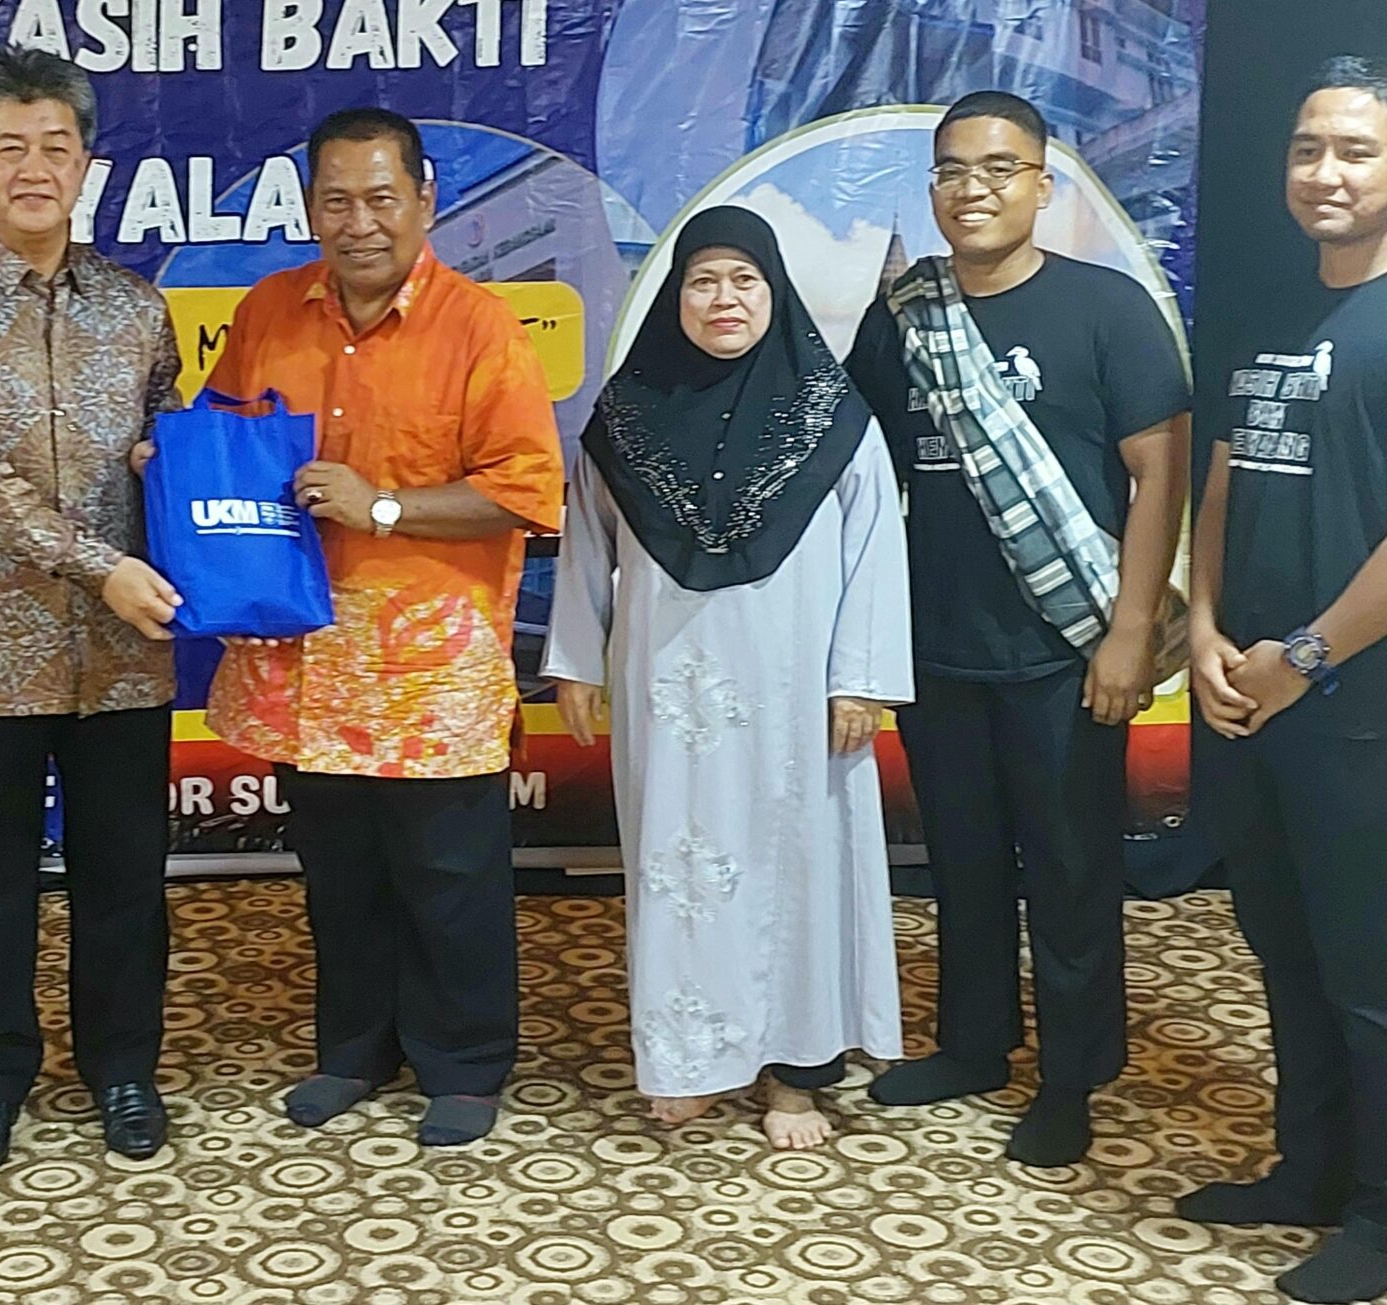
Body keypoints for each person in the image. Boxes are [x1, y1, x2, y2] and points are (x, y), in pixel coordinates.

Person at [192, 108, 563, 1147]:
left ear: (425, 201)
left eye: (381, 198)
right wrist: (177, 465)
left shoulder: (481, 327)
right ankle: (353, 1050)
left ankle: (465, 1061)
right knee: (340, 871)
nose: (359, 223)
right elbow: (226, 434)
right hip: (306, 650)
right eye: (337, 201)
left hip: (431, 662)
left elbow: (528, 492)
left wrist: (383, 505)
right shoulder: (269, 309)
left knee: (450, 877)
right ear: (310, 208)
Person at [845, 91, 1190, 1167]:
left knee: (1071, 869)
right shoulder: (904, 316)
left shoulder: (1106, 309)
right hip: (939, 645)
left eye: (999, 169)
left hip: (1066, 649)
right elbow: (857, 472)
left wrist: (1130, 630)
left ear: (1043, 185)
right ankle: (975, 1044)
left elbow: (1160, 473)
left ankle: (1072, 1075)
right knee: (962, 862)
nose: (973, 189)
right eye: (952, 170)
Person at [543, 205, 913, 1149]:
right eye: (703, 280)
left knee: (799, 867)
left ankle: (795, 1072)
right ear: (675, 295)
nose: (724, 299)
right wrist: (577, 660)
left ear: (774, 290)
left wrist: (861, 677)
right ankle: (691, 1059)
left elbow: (875, 550)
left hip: (800, 696)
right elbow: (587, 541)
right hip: (668, 693)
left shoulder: (835, 417)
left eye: (744, 280)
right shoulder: (625, 418)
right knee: (679, 868)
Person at [0, 48, 183, 1175]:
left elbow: (164, 442)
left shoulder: (138, 309)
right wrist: (101, 565)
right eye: (9, 146)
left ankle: (124, 1069)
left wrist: (179, 475)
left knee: (126, 875)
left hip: (123, 649)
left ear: (87, 164)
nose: (34, 168)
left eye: (57, 145)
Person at [1181, 56, 1387, 1305]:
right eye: (1309, 148)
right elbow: (1224, 477)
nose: (1326, 172)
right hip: (1246, 694)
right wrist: (1203, 626)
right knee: (1284, 946)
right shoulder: (1271, 307)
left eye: (1356, 150)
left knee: (1368, 970)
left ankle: (1380, 1216)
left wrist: (1306, 654)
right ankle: (1308, 1171)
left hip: (1354, 706)